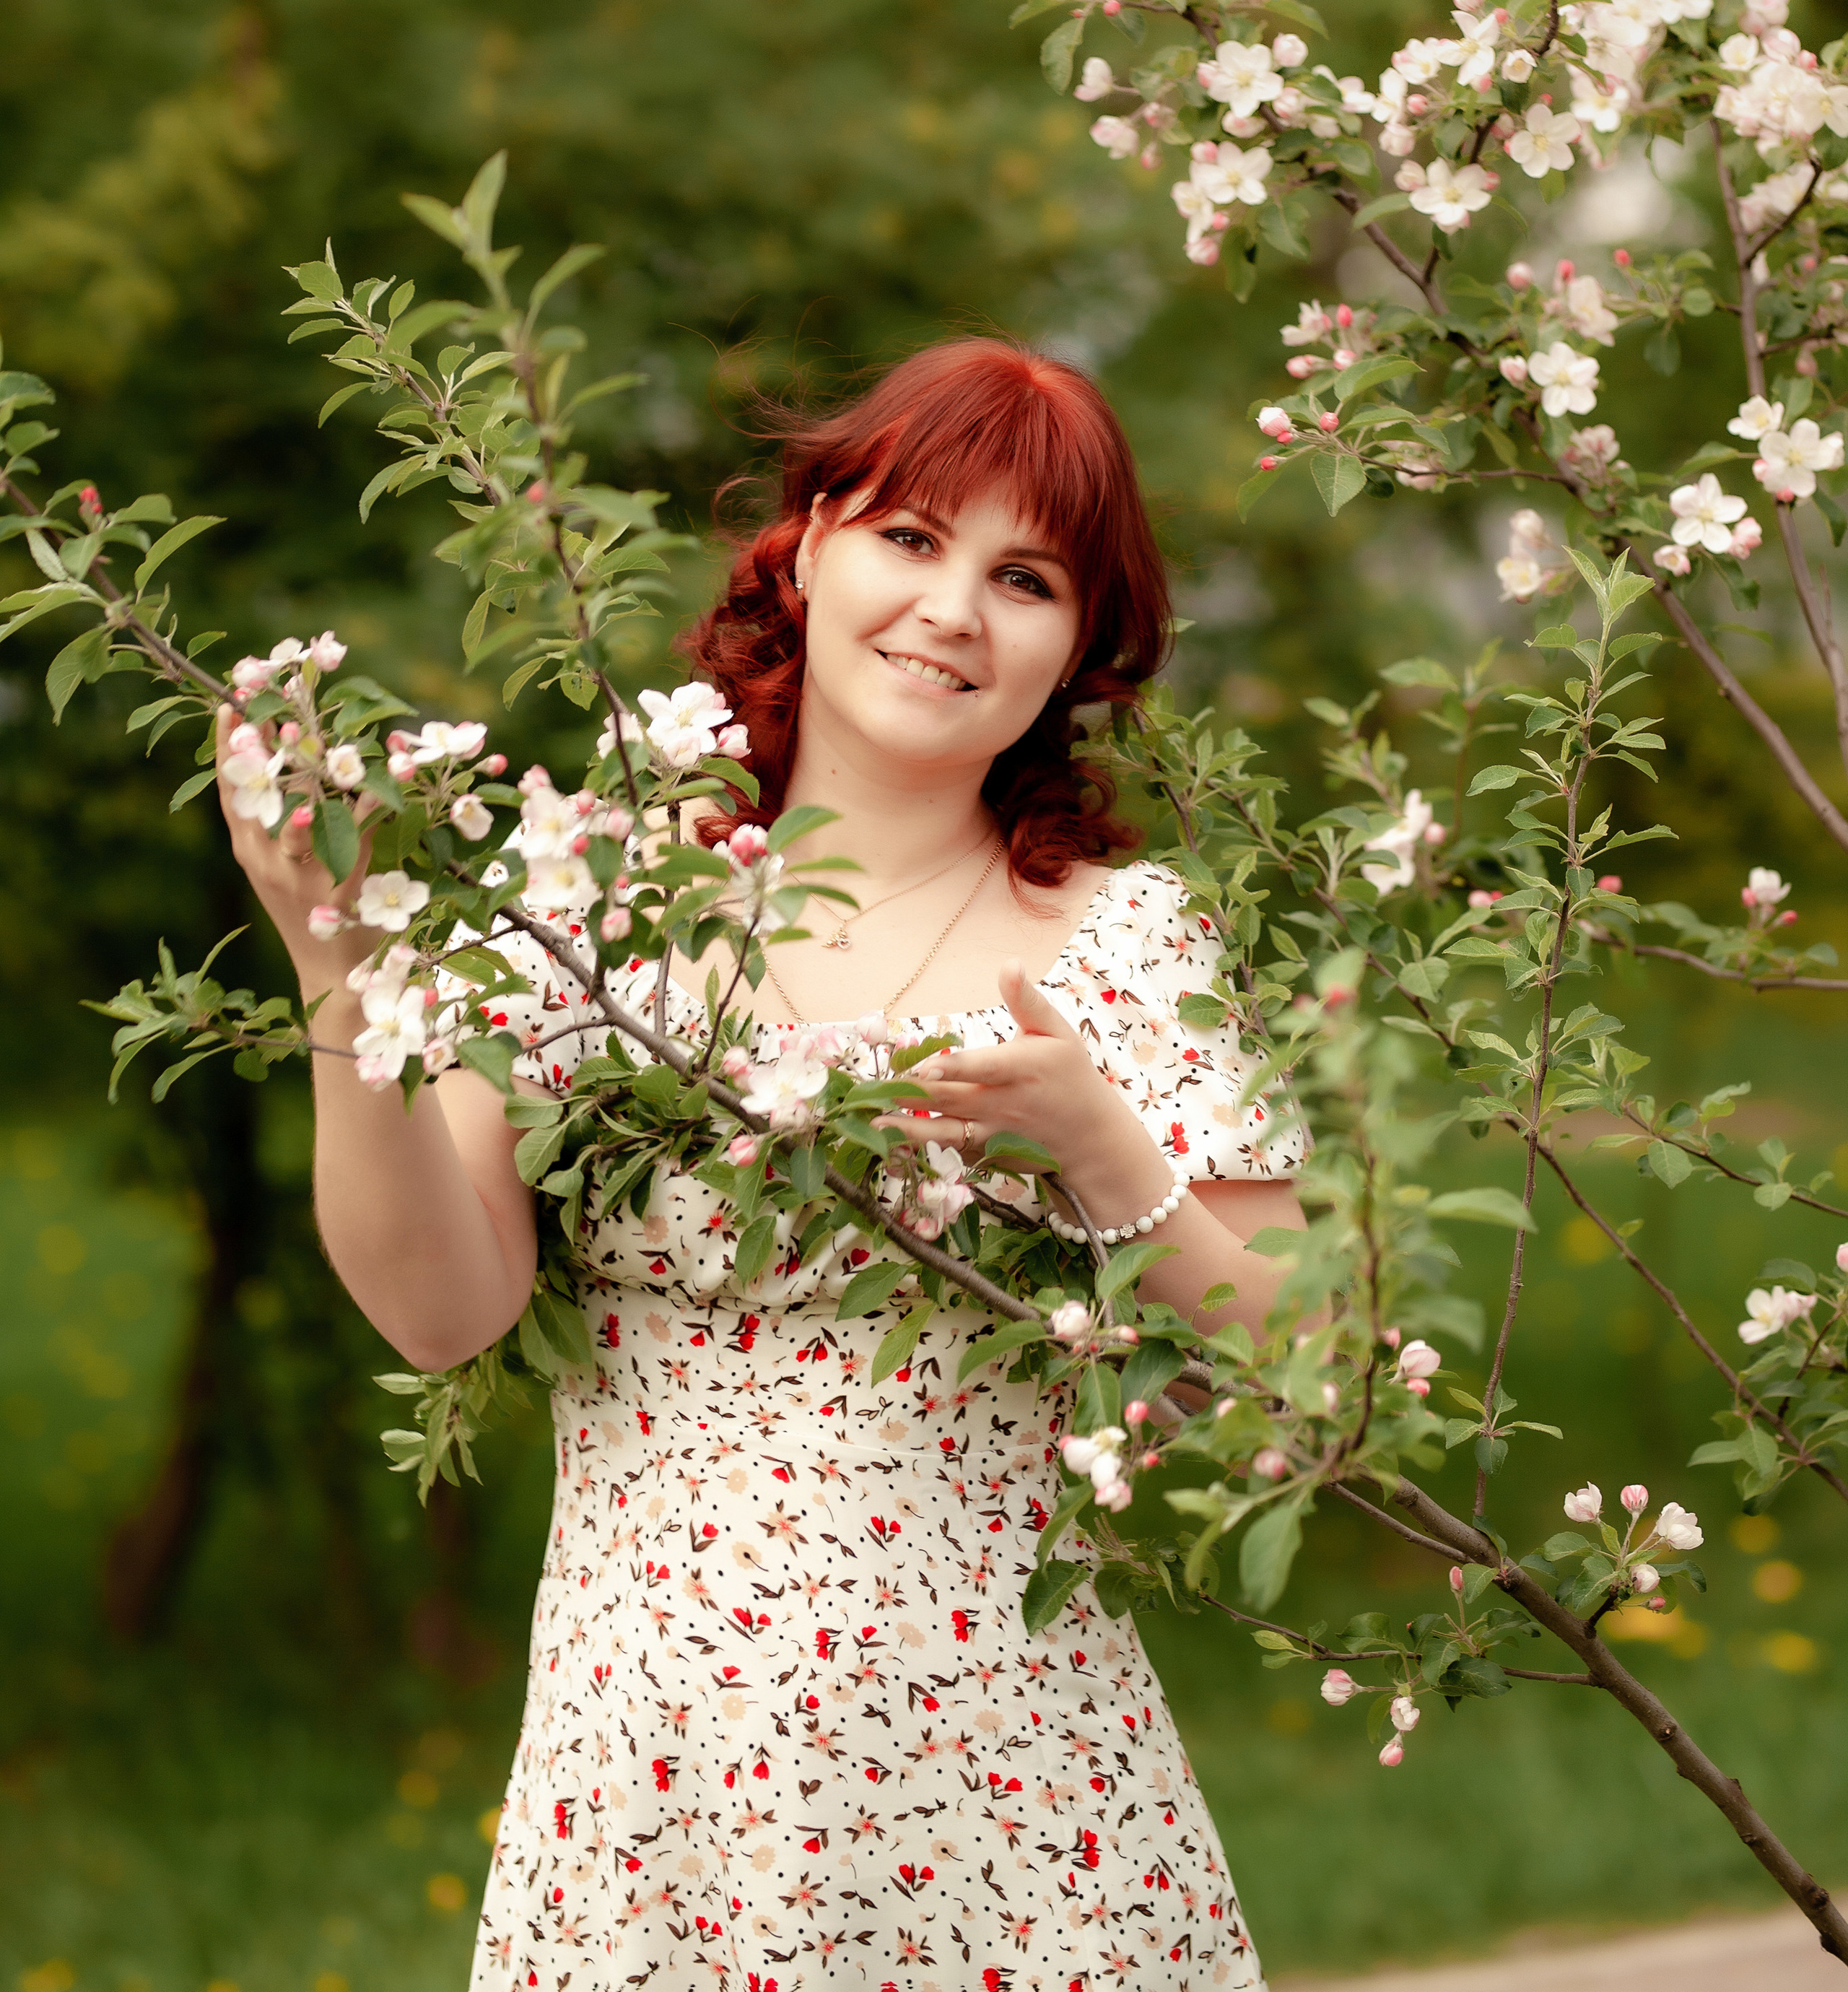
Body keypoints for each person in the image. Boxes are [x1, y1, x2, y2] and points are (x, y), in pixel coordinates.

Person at [218, 336, 1309, 1992]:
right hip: (646, 1795)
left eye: (1024, 576)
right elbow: (442, 1311)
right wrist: (341, 976)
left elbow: (1291, 1376)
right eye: (909, 536)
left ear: (1080, 647)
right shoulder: (595, 904)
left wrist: (1096, 1144)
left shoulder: (1123, 947)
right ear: (805, 547)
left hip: (1012, 1806)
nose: (951, 609)